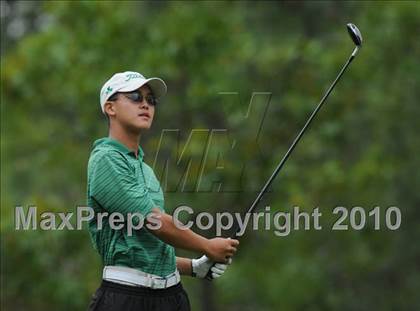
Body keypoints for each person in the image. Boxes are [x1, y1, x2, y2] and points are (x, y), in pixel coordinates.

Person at [87, 71, 239, 311]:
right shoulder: (105, 160)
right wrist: (207, 246)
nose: (145, 104)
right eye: (136, 96)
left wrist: (193, 266)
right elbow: (153, 221)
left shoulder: (144, 169)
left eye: (151, 100)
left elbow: (144, 246)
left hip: (171, 296)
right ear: (110, 107)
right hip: (126, 299)